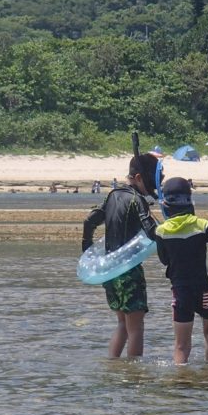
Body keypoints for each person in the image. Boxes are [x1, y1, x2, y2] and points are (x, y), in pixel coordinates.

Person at [82, 153, 161, 358]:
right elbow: (152, 231)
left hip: (109, 272)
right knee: (136, 328)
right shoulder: (137, 200)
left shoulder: (112, 195)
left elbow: (89, 221)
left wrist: (86, 248)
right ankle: (134, 375)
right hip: (129, 271)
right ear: (138, 178)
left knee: (122, 325)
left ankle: (113, 366)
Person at [155, 177, 208, 364]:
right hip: (205, 290)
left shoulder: (161, 231)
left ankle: (181, 379)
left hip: (181, 291)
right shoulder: (202, 225)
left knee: (181, 344)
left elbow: (164, 260)